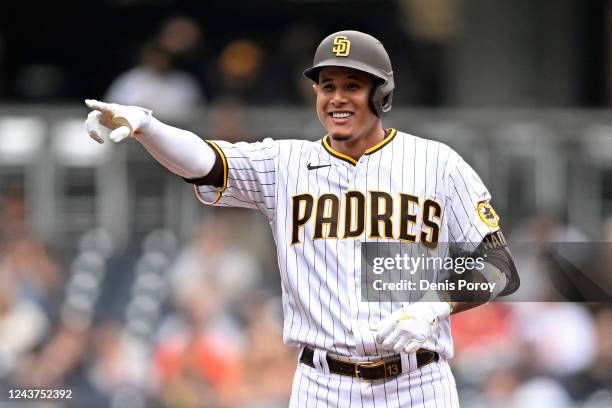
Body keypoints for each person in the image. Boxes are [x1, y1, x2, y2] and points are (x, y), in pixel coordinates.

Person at [85, 30, 519, 407]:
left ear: (381, 94)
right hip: (321, 384)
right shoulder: (286, 163)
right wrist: (149, 127)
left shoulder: (437, 163)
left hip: (418, 382)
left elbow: (498, 266)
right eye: (327, 86)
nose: (337, 98)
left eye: (353, 85)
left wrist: (434, 305)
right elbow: (206, 162)